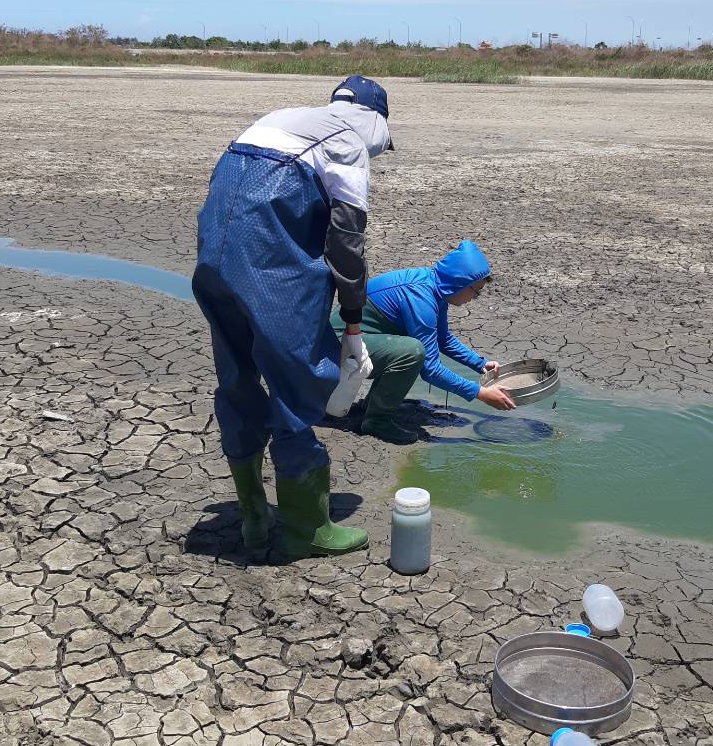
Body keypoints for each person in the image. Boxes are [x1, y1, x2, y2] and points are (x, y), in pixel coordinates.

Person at [193, 76, 392, 558]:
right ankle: (307, 528)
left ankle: (254, 515)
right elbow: (346, 244)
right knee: (297, 381)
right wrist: (351, 321)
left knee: (237, 380)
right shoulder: (348, 144)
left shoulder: (279, 120)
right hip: (268, 268)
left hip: (213, 260)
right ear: (376, 121)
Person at [331, 240, 516, 442]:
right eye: (476, 291)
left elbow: (443, 339)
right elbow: (431, 370)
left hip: (361, 339)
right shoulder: (421, 297)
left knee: (410, 348)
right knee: (413, 352)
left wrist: (479, 364)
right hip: (338, 344)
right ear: (461, 282)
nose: (475, 297)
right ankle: (377, 421)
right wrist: (480, 393)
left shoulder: (436, 288)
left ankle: (372, 406)